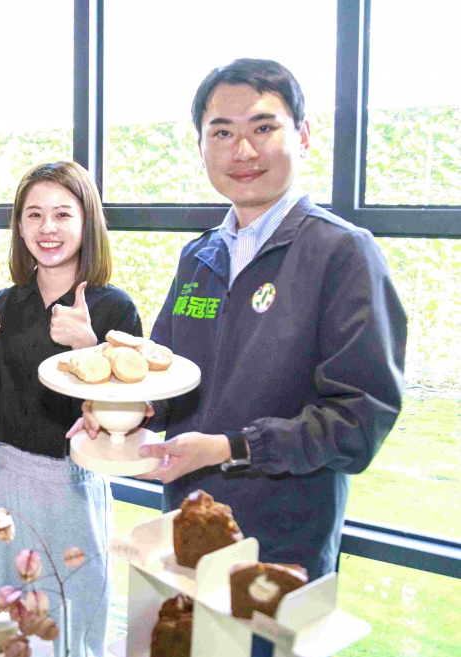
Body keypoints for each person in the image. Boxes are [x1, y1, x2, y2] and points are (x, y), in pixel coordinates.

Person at [75, 59, 407, 580]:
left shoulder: (342, 254)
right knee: (176, 632)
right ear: (201, 147)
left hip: (278, 546)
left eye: (263, 127)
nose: (243, 150)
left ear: (303, 136)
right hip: (184, 525)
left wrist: (231, 448)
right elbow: (165, 377)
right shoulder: (199, 256)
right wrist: (126, 412)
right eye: (222, 133)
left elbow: (359, 422)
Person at [0, 162, 143, 657]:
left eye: (62, 213)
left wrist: (90, 348)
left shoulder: (114, 309)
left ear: (87, 222)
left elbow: (130, 422)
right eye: (34, 214)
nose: (48, 227)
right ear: (19, 227)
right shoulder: (0, 306)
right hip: (8, 480)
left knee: (74, 621)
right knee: (7, 615)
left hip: (76, 484)